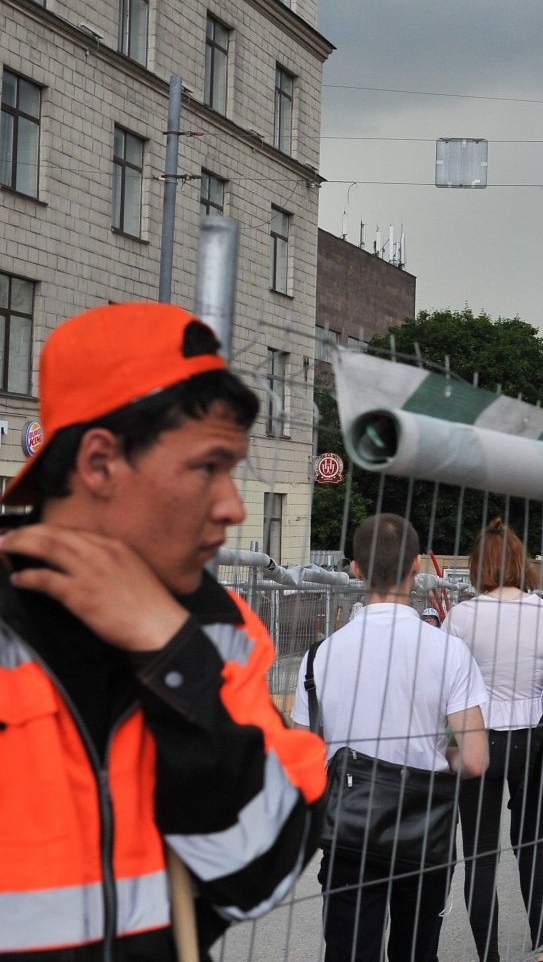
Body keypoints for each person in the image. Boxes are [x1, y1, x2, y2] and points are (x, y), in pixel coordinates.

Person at [0, 302, 326, 959]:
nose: (233, 506)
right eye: (209, 467)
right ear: (99, 464)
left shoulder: (223, 631)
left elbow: (257, 878)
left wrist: (170, 653)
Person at [293, 514, 489, 962]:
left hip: (348, 835)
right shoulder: (448, 651)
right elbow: (475, 760)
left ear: (356, 568)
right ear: (417, 565)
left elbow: (301, 762)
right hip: (423, 832)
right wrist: (439, 752)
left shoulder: (318, 657)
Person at [444, 519, 543, 962]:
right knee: (530, 843)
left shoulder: (460, 616)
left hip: (479, 739)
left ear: (478, 565)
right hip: (534, 739)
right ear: (521, 562)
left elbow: (448, 684)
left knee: (479, 856)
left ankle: (489, 957)